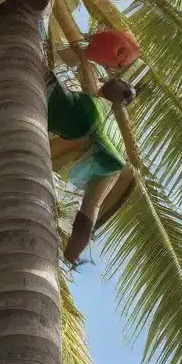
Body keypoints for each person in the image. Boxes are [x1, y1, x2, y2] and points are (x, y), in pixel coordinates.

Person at [47, 72, 135, 264]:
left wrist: (79, 52)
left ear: (121, 97)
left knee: (47, 88)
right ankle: (72, 254)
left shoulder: (98, 101)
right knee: (92, 206)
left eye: (121, 82)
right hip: (114, 158)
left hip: (88, 122)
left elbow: (86, 71)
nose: (117, 79)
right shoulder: (116, 123)